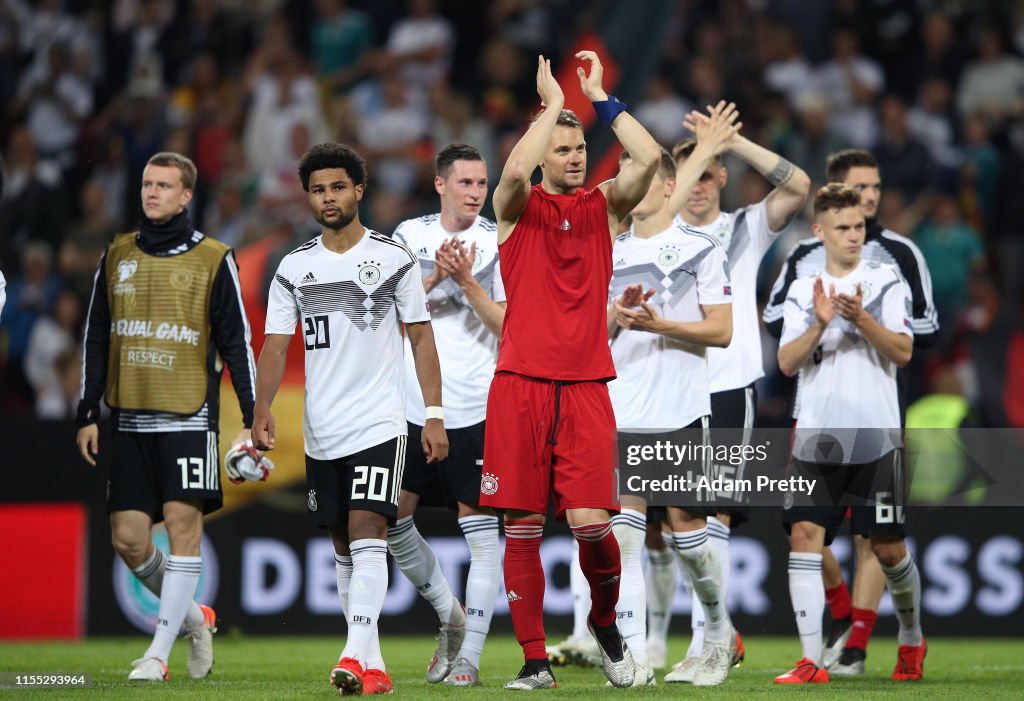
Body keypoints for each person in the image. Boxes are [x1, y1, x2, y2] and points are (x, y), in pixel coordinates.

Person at [481, 51, 661, 690]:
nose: (575, 155)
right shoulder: (512, 210)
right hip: (520, 386)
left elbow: (651, 161)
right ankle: (535, 662)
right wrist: (553, 108)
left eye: (580, 145)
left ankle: (606, 627)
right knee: (522, 528)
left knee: (592, 525)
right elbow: (511, 170)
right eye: (561, 148)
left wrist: (599, 97)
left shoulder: (604, 210)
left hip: (586, 387)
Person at [251, 142, 449, 696]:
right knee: (343, 546)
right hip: (322, 427)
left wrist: (432, 414)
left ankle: (350, 655)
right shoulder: (294, 266)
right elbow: (273, 346)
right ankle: (374, 664)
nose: (328, 197)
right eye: (318, 189)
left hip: (380, 423)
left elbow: (421, 338)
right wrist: (260, 408)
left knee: (369, 532)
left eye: (338, 187)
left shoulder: (392, 259)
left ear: (358, 190)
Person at [75, 152, 258, 681]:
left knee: (182, 526)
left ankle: (157, 654)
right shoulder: (116, 254)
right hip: (129, 420)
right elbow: (96, 336)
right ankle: (195, 618)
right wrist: (88, 410)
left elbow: (236, 343)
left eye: (163, 186)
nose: (151, 193)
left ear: (185, 197)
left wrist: (250, 416)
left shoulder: (214, 258)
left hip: (189, 416)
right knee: (129, 540)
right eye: (146, 184)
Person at [764, 149, 938, 674]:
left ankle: (910, 633)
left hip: (876, 432)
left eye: (859, 225)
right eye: (843, 227)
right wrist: (818, 324)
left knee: (886, 547)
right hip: (817, 431)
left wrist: (860, 318)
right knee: (803, 537)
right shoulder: (801, 287)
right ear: (820, 231)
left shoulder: (885, 280)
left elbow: (905, 351)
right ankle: (810, 658)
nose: (854, 234)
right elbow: (788, 362)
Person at [656, 103, 811, 681]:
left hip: (725, 385)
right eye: (686, 177)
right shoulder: (657, 235)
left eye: (706, 174)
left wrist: (734, 143)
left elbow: (798, 185)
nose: (696, 188)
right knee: (680, 524)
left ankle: (709, 645)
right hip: (671, 392)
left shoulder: (742, 227)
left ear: (721, 178)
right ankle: (712, 635)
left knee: (712, 512)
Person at [609, 125, 737, 687]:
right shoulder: (605, 252)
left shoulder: (699, 248)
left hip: (682, 410)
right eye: (625, 176)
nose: (632, 185)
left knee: (689, 539)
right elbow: (589, 335)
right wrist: (617, 317)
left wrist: (663, 324)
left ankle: (717, 632)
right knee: (626, 538)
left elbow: (723, 331)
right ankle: (635, 656)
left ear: (666, 185)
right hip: (619, 410)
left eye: (643, 176)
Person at [387, 143, 505, 687]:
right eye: (466, 183)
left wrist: (466, 280)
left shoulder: (499, 240)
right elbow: (383, 310)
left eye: (482, 184)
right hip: (410, 404)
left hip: (477, 405)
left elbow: (510, 327)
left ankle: (470, 659)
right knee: (392, 522)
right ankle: (450, 616)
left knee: (481, 535)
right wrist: (433, 276)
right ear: (440, 184)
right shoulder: (409, 236)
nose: (476, 193)